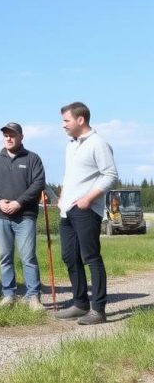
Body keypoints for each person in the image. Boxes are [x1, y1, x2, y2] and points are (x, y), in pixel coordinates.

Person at [55, 101, 118, 325]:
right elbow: (70, 176)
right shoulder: (71, 146)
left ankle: (98, 310)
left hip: (86, 210)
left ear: (80, 120)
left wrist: (88, 198)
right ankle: (80, 304)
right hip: (67, 210)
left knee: (91, 257)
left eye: (66, 120)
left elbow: (110, 174)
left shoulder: (98, 143)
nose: (63, 125)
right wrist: (62, 196)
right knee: (69, 256)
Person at [0, 122, 46, 310]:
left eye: (12, 135)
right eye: (6, 135)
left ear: (21, 137)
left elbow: (38, 184)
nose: (8, 138)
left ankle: (33, 297)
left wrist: (19, 203)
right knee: (5, 256)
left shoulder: (32, 159)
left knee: (28, 257)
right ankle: (8, 295)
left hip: (25, 216)